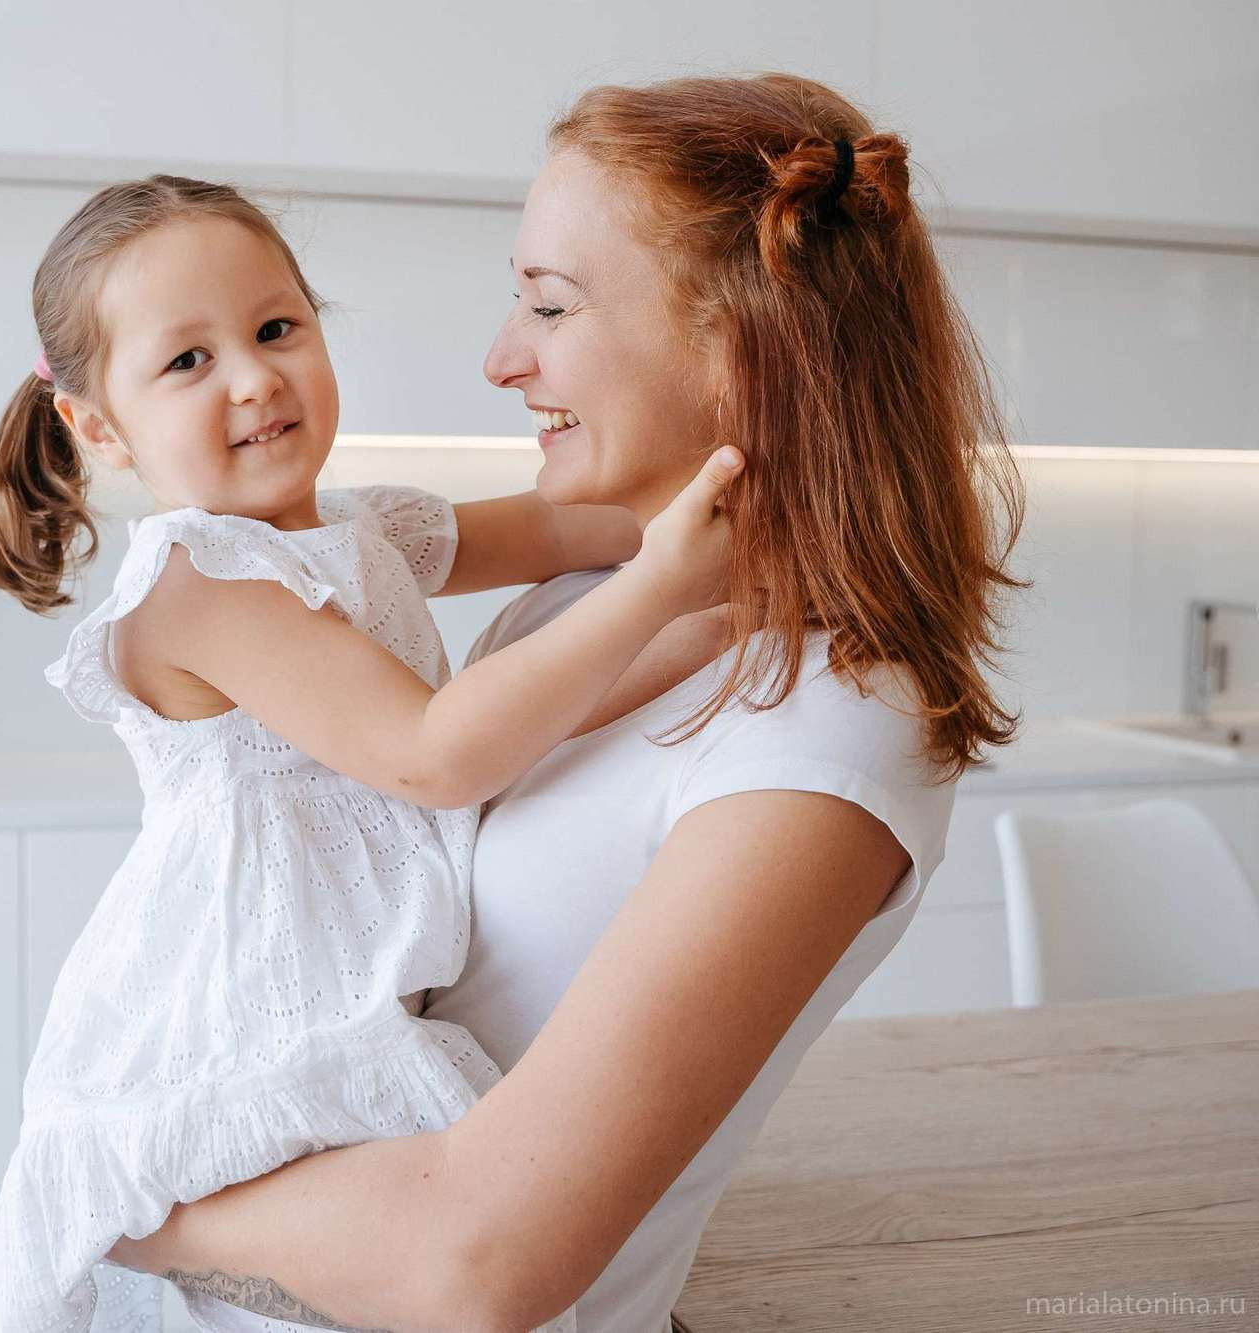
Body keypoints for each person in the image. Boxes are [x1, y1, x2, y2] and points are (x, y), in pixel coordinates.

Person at [106, 74, 1027, 1333]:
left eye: (548, 303)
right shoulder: (593, 601)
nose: (499, 356)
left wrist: (133, 1198)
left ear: (741, 345)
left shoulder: (832, 737)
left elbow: (470, 1267)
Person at [0, 173, 743, 1332]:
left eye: (277, 327)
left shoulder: (362, 529)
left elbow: (565, 524)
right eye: (187, 362)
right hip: (247, 1016)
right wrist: (665, 587)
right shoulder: (197, 582)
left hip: (355, 986)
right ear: (98, 427)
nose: (252, 376)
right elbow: (433, 757)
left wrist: (739, 486)